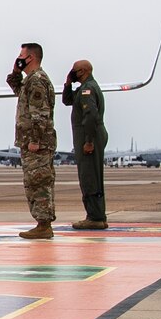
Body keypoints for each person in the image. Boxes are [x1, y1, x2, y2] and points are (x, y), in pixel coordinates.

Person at [7, 42, 57, 239]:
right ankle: (42, 223)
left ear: (32, 58)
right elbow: (16, 88)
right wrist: (15, 71)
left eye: (22, 56)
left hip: (37, 143)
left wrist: (35, 140)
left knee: (39, 182)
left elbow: (40, 114)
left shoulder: (37, 81)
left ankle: (44, 225)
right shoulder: (30, 81)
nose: (19, 59)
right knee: (33, 182)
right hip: (29, 142)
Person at [63, 59, 108, 229]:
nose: (72, 73)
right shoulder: (84, 88)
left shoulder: (88, 90)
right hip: (90, 136)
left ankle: (95, 217)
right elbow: (67, 101)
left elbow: (90, 117)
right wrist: (68, 84)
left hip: (90, 137)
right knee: (91, 175)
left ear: (83, 71)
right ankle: (97, 215)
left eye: (74, 71)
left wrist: (88, 141)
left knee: (89, 176)